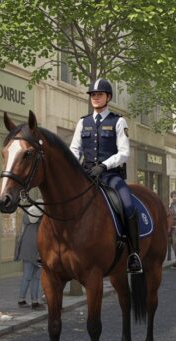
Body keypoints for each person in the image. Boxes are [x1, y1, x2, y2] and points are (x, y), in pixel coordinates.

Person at [69, 78, 142, 274]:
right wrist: (72, 168)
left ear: (108, 97)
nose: (95, 98)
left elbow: (124, 152)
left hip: (110, 176)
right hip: (86, 176)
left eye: (99, 94)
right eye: (93, 95)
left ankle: (134, 254)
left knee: (127, 205)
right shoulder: (82, 122)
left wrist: (104, 165)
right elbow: (75, 150)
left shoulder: (118, 121)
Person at [16, 202, 44, 310]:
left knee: (27, 276)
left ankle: (22, 299)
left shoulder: (27, 215)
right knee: (35, 277)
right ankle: (34, 301)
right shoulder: (42, 217)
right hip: (37, 249)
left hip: (27, 248)